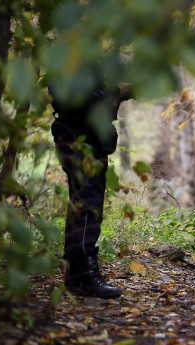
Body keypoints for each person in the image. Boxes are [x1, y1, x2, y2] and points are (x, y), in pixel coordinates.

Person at [50, 66, 131, 298]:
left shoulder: (88, 61)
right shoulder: (68, 56)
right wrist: (116, 92)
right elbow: (76, 101)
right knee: (87, 206)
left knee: (85, 206)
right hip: (78, 142)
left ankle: (78, 273)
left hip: (87, 142)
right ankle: (82, 277)